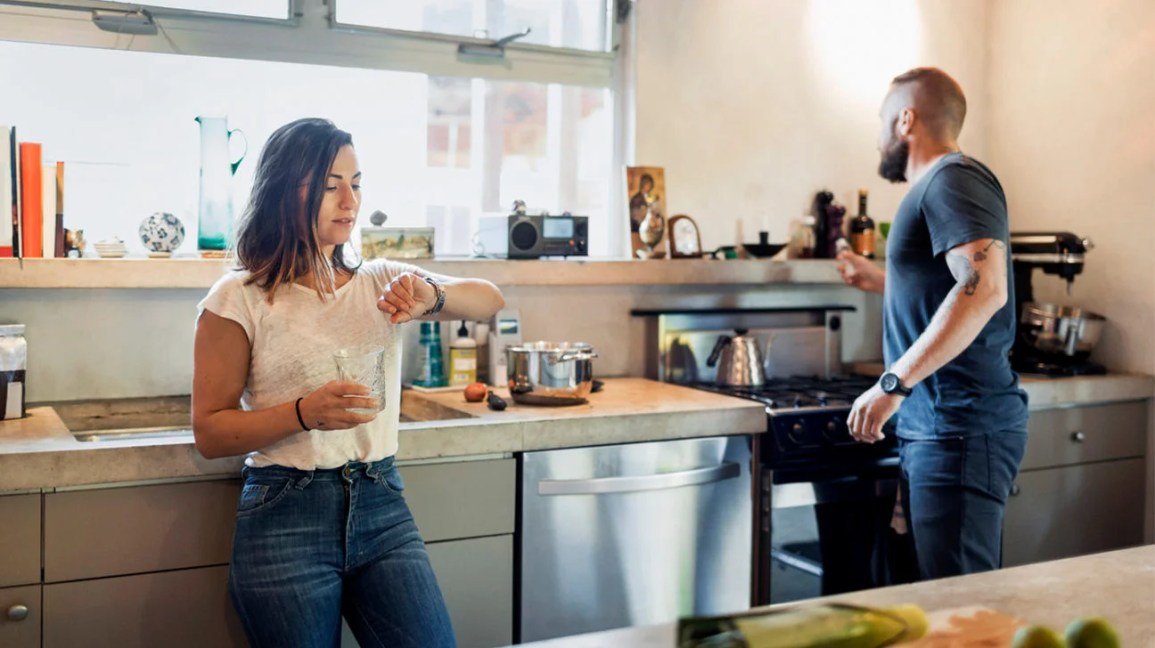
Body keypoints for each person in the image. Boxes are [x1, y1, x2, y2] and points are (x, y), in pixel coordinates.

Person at [192, 117, 505, 648]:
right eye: (330, 185)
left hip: (382, 501)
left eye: (356, 183)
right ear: (284, 190)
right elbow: (210, 433)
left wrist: (433, 297)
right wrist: (302, 413)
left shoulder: (381, 280)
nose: (349, 200)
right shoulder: (239, 297)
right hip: (285, 513)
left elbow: (491, 298)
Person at [837, 68, 1028, 581]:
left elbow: (984, 287)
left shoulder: (953, 178)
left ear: (905, 119)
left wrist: (893, 383)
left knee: (963, 611)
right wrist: (883, 280)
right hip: (945, 430)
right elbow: (951, 284)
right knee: (944, 606)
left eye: (882, 120)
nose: (879, 136)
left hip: (959, 430)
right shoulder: (941, 187)